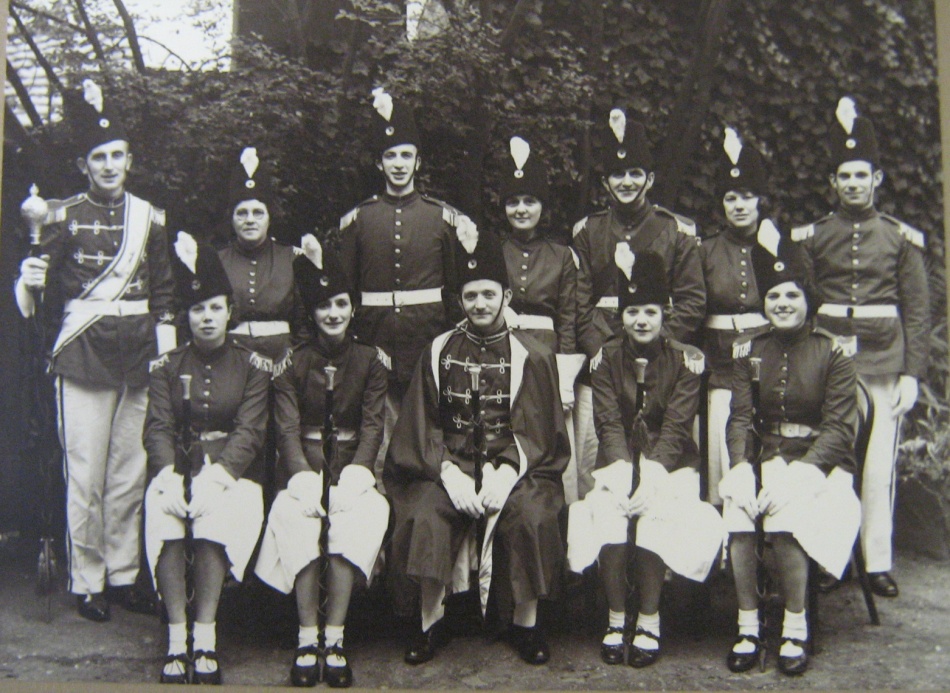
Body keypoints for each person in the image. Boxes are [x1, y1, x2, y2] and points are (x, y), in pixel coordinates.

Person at [14, 79, 175, 621]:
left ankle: (125, 572)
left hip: (138, 354)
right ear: (84, 166)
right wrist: (29, 277)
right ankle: (88, 580)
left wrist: (166, 358)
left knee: (128, 471)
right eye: (98, 158)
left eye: (116, 156)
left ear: (129, 160)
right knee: (85, 474)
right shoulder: (61, 216)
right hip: (83, 351)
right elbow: (39, 291)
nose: (108, 165)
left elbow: (165, 294)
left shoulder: (149, 218)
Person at [384, 229, 570, 666]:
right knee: (426, 512)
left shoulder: (534, 355)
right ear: (460, 300)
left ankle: (527, 625)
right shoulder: (439, 350)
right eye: (470, 296)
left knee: (532, 512)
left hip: (519, 466)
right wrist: (448, 473)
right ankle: (431, 623)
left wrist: (507, 473)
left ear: (506, 295)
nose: (480, 304)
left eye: (489, 294)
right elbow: (421, 425)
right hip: (447, 463)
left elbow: (543, 432)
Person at [791, 97, 929, 597]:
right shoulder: (813, 237)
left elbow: (917, 310)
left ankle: (876, 561)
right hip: (831, 363)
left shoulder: (899, 239)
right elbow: (803, 304)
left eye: (861, 175)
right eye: (844, 176)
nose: (852, 184)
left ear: (878, 180)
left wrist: (912, 373)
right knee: (830, 457)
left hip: (883, 363)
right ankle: (832, 558)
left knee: (877, 467)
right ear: (833, 183)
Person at [566, 249, 723, 669]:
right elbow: (607, 423)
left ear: (664, 314)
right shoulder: (606, 360)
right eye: (632, 311)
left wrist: (651, 477)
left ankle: (649, 618)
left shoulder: (684, 360)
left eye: (650, 311)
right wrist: (623, 476)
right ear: (621, 317)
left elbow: (676, 426)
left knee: (655, 512)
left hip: (669, 466)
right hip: (619, 464)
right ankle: (617, 617)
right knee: (610, 510)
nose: (641, 320)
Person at [720, 239, 861, 676]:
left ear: (808, 299)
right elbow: (741, 416)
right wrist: (742, 466)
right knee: (740, 510)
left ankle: (795, 627)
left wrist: (801, 474)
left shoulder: (833, 351)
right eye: (774, 295)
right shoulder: (747, 349)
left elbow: (839, 428)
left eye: (792, 295)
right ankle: (748, 626)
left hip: (820, 465)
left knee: (786, 512)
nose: (782, 303)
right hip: (765, 458)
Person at [255, 236, 390, 688]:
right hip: (306, 469)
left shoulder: (371, 361)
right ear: (310, 313)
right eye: (322, 306)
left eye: (340, 303)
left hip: (352, 468)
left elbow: (373, 424)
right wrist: (301, 476)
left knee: (356, 518)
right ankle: (306, 636)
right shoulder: (293, 362)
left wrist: (359, 472)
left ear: (352, 307)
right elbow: (287, 428)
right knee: (299, 518)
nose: (332, 313)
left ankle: (336, 638)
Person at [144, 236, 270, 684]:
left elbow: (251, 431)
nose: (208, 318)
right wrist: (166, 476)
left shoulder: (253, 366)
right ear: (187, 316)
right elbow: (158, 426)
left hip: (231, 474)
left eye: (215, 308)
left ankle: (207, 635)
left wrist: (217, 476)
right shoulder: (165, 366)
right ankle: (177, 639)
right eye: (198, 310)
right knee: (165, 516)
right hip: (177, 469)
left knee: (216, 514)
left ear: (229, 311)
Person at [571, 108, 706, 501]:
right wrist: (600, 351)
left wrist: (658, 344)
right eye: (617, 174)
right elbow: (579, 299)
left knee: (664, 451)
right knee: (594, 458)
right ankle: (597, 552)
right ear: (605, 182)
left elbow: (692, 300)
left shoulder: (675, 231)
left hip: (660, 361)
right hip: (602, 360)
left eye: (635, 174)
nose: (626, 182)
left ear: (650, 179)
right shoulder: (589, 231)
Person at [339, 88, 470, 485]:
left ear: (418, 160)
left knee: (427, 441)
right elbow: (344, 295)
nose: (399, 164)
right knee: (376, 444)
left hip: (427, 345)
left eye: (406, 155)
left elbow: (457, 293)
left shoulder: (443, 219)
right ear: (379, 162)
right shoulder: (358, 221)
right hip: (375, 346)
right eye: (390, 155)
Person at [496, 135, 584, 502]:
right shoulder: (493, 250)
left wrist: (564, 380)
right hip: (501, 353)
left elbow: (567, 319)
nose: (521, 209)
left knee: (553, 442)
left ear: (542, 206)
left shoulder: (561, 255)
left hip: (546, 361)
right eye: (513, 201)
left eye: (529, 201)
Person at [699, 128, 775, 505]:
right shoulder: (707, 250)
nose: (739, 205)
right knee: (718, 453)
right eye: (731, 198)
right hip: (721, 366)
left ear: (761, 200)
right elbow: (695, 311)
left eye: (747, 196)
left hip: (768, 363)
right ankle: (722, 545)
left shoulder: (778, 245)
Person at [218, 146, 307, 361]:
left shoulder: (291, 258)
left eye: (258, 212)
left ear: (269, 217)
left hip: (282, 360)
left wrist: (294, 361)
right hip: (231, 361)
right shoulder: (218, 261)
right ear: (231, 218)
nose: (250, 220)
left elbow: (304, 323)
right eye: (242, 213)